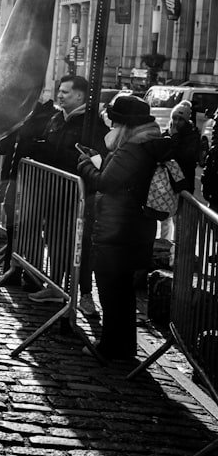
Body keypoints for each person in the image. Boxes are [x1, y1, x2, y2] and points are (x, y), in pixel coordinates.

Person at [76, 94, 162, 364]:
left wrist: (86, 165)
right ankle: (123, 347)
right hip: (131, 230)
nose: (110, 127)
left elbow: (106, 183)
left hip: (118, 231)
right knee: (122, 292)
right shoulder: (145, 143)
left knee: (113, 291)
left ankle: (112, 347)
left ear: (124, 125)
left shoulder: (133, 148)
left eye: (113, 123)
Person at [25, 75, 108, 313]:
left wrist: (48, 155)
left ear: (80, 96)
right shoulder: (57, 118)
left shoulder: (91, 124)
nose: (60, 95)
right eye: (59, 91)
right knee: (55, 239)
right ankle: (54, 285)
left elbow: (92, 159)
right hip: (55, 192)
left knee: (79, 245)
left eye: (65, 92)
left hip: (80, 195)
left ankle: (84, 294)